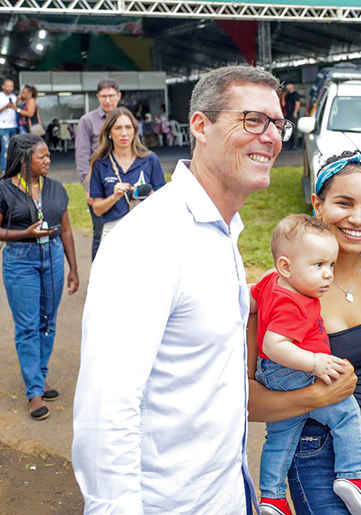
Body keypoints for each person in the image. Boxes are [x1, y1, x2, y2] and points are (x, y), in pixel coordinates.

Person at [72, 65, 294, 514]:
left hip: (228, 492)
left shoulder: (222, 230)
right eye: (253, 120)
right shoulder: (149, 241)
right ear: (200, 126)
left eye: (278, 124)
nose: (270, 136)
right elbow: (106, 409)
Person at [248, 150, 361, 515]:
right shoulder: (279, 289)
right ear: (317, 203)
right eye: (344, 202)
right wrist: (315, 395)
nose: (358, 218)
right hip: (317, 449)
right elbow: (249, 400)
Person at [252, 214, 361, 515]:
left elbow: (252, 301)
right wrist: (315, 362)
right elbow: (273, 344)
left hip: (271, 374)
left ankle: (272, 497)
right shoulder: (296, 304)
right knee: (345, 413)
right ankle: (351, 476)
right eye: (318, 265)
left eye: (331, 265)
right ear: (286, 266)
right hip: (293, 372)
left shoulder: (271, 281)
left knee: (281, 436)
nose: (328, 275)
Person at [0, 133, 79, 421]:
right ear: (25, 161)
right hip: (20, 260)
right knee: (27, 326)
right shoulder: (3, 190)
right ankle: (34, 392)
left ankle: (40, 375)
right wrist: (25, 233)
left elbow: (67, 231)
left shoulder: (56, 189)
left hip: (52, 257)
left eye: (48, 155)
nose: (48, 159)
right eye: (42, 156)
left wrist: (73, 267)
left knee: (47, 321)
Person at [88, 107, 166, 240]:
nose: (124, 133)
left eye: (128, 127)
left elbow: (164, 203)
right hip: (113, 231)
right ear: (109, 132)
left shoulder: (150, 160)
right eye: (118, 128)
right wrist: (114, 197)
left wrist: (152, 197)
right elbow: (97, 209)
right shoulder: (100, 164)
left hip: (145, 230)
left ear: (135, 131)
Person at [75, 79, 121, 260]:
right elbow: (82, 156)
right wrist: (88, 187)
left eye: (111, 96)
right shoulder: (87, 121)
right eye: (103, 96)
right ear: (98, 97)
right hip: (98, 185)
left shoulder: (125, 118)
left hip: (124, 182)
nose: (107, 100)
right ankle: (97, 279)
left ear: (119, 96)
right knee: (100, 233)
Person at [0, 79, 19, 171]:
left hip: (13, 125)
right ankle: (4, 169)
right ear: (3, 86)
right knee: (6, 147)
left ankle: (13, 169)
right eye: (8, 86)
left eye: (11, 86)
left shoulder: (14, 97)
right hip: (3, 127)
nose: (9, 88)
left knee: (14, 149)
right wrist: (5, 107)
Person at [284, 82, 302, 150]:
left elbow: (298, 103)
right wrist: (283, 95)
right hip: (288, 114)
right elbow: (283, 104)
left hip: (293, 114)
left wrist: (295, 112)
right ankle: (290, 144)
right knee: (288, 130)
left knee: (295, 130)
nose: (287, 86)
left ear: (292, 85)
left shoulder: (295, 94)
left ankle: (295, 144)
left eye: (288, 85)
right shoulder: (287, 95)